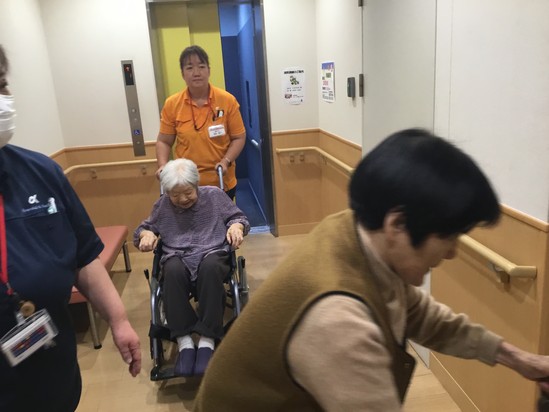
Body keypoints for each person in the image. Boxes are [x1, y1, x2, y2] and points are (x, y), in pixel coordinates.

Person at [193, 128, 549, 411]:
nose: (453, 252)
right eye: (449, 236)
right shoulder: (338, 320)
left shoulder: (356, 230)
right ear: (398, 225)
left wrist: (521, 360)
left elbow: (420, 315)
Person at [0, 45, 141, 412]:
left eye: (1, 84)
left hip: (52, 375)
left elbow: (82, 256)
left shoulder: (41, 172)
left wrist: (119, 320)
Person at [134, 158, 249, 376]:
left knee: (210, 268)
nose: (182, 199)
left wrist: (236, 227)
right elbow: (145, 228)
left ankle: (207, 340)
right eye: (175, 195)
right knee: (172, 271)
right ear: (167, 192)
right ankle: (184, 341)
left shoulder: (215, 196)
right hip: (177, 254)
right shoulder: (162, 205)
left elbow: (238, 217)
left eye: (188, 192)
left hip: (212, 251)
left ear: (196, 184)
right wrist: (146, 235)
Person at [155, 45, 246, 200]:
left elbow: (239, 137)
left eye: (201, 66)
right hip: (185, 184)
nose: (196, 73)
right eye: (190, 68)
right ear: (183, 74)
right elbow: (164, 141)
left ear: (209, 71)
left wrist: (226, 161)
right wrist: (162, 165)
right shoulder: (172, 104)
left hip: (221, 180)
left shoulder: (227, 100)